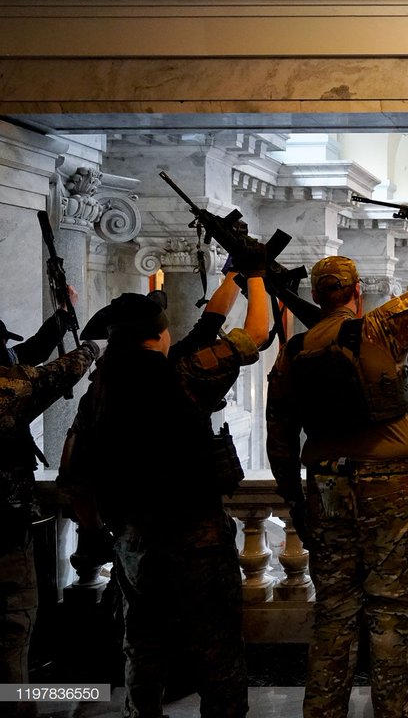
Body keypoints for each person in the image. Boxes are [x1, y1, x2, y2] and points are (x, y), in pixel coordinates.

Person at [266, 208, 408, 718]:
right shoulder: (379, 329)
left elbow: (280, 438)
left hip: (327, 490)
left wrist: (297, 502)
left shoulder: (294, 351)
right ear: (356, 292)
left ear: (316, 297)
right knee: (393, 611)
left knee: (334, 611)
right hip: (392, 489)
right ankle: (390, 710)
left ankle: (323, 711)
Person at [59, 268, 269, 718]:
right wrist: (256, 278)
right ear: (160, 333)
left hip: (136, 540)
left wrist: (97, 534)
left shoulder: (98, 393)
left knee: (143, 643)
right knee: (218, 647)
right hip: (197, 537)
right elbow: (256, 333)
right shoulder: (186, 375)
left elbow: (76, 479)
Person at [1, 297, 99, 718]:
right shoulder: (7, 393)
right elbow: (51, 375)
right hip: (4, 533)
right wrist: (93, 345)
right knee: (12, 627)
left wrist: (62, 318)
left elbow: (29, 357)